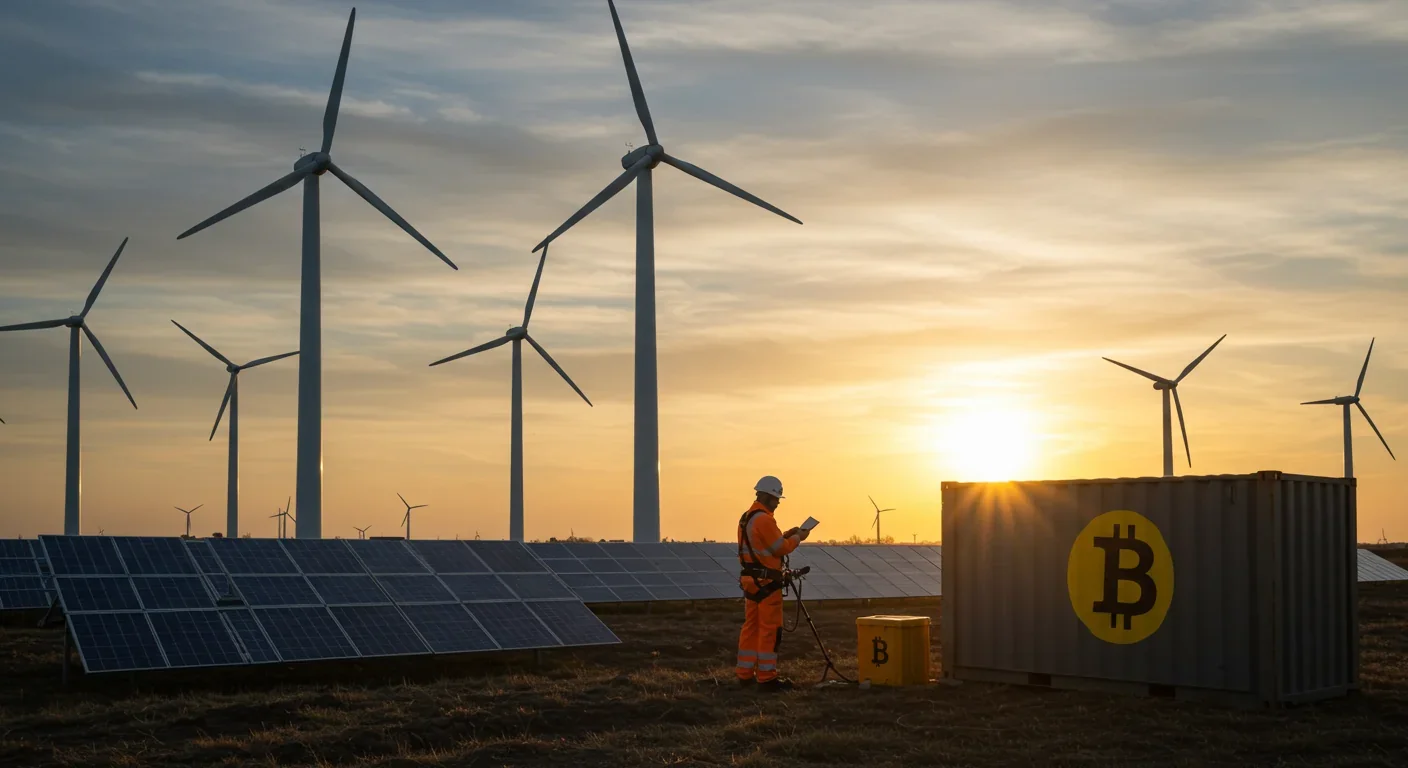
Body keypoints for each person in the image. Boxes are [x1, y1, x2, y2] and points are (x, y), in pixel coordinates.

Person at [736, 475, 810, 690]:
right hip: (767, 582)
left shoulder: (747, 518)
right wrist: (798, 538)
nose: (778, 503)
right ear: (768, 496)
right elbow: (780, 549)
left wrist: (787, 534)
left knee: (751, 627)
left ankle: (744, 673)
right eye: (777, 498)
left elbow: (765, 543)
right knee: (769, 629)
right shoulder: (765, 519)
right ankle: (767, 678)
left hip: (751, 581)